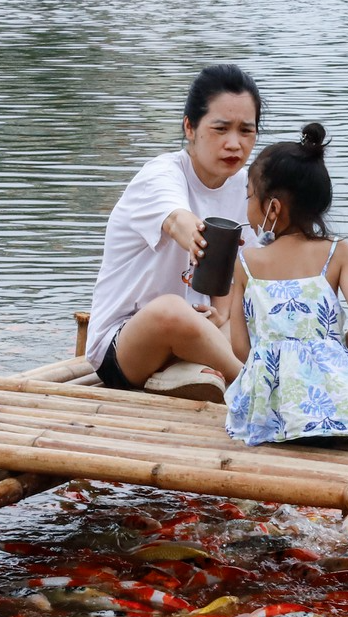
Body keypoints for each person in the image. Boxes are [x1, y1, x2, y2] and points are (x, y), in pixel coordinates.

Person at [221, 123, 348, 447]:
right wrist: (340, 350)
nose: (247, 207)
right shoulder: (338, 252)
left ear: (273, 208)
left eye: (249, 196)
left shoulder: (246, 262)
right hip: (338, 407)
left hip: (271, 419)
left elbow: (240, 348)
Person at [83, 65, 258, 402]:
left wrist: (223, 309)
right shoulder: (159, 176)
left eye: (246, 131)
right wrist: (196, 234)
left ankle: (199, 372)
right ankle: (260, 389)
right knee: (171, 310)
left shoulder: (248, 188)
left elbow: (250, 269)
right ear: (189, 127)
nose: (234, 143)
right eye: (220, 129)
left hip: (202, 328)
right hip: (127, 342)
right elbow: (177, 219)